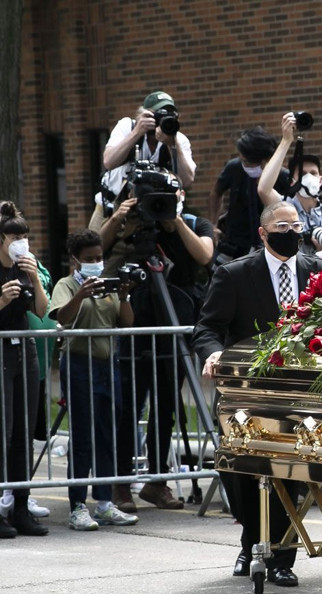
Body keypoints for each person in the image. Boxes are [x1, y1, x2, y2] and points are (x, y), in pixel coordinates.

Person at [193, 201, 322, 585]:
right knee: (242, 474)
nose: (292, 232)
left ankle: (282, 556)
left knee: (289, 472)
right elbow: (207, 327)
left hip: (297, 393)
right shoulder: (234, 275)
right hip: (246, 394)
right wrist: (215, 352)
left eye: (297, 225)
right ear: (264, 234)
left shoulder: (316, 270)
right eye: (283, 225)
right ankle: (251, 543)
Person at [97, 167, 215, 512]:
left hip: (174, 321)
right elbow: (92, 250)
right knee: (128, 405)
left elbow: (205, 256)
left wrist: (173, 219)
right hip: (134, 321)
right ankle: (119, 483)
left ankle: (157, 480)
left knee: (166, 406)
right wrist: (119, 218)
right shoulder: (126, 221)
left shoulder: (192, 222)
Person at [48, 230, 139, 530]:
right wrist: (81, 294)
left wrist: (123, 296)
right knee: (83, 434)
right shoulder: (66, 284)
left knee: (106, 432)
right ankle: (77, 505)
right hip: (77, 363)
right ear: (75, 260)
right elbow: (61, 316)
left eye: (99, 257)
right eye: (89, 259)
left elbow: (125, 321)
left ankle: (104, 502)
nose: (96, 263)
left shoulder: (107, 285)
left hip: (106, 363)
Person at [0, 201, 50, 538]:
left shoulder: (24, 267)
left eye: (25, 236)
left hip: (25, 351)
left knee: (23, 431)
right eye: (14, 236)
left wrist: (34, 277)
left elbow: (42, 310)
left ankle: (21, 505)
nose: (20, 242)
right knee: (2, 432)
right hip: (1, 350)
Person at [94, 91, 196, 224]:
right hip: (112, 208)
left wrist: (173, 145)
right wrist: (137, 132)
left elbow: (187, 180)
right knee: (96, 243)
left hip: (156, 211)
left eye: (169, 115)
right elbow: (109, 162)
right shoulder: (128, 126)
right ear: (144, 114)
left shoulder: (179, 140)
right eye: (159, 115)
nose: (162, 120)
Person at [257, 114, 322, 253]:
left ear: (320, 180)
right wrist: (286, 140)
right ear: (291, 182)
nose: (308, 177)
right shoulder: (284, 208)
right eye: (302, 174)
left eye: (313, 173)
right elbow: (263, 189)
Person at [208, 126, 286, 264]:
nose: (247, 165)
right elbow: (216, 192)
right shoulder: (234, 168)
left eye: (250, 162)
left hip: (268, 245)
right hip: (235, 243)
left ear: (266, 160)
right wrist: (213, 224)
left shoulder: (282, 176)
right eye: (243, 161)